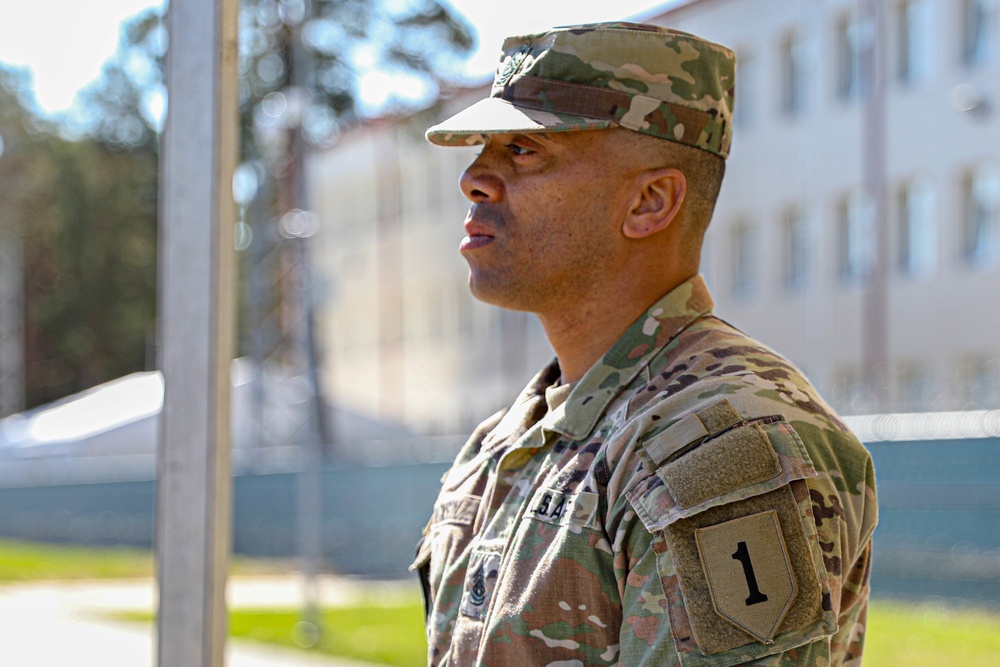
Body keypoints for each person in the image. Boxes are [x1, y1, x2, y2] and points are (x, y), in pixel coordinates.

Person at [412, 22, 877, 667]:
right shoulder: (512, 439)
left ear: (649, 201)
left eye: (522, 149)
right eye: (481, 149)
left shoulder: (722, 443)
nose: (474, 178)